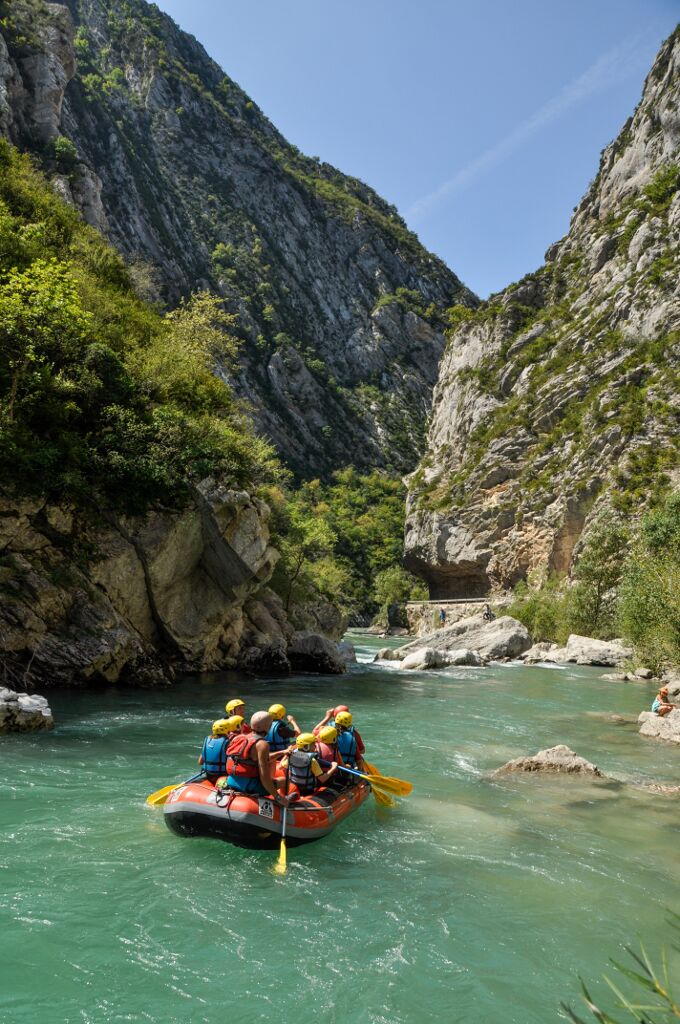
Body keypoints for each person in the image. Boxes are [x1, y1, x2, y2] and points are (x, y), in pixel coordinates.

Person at [225, 711, 289, 802]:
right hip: (250, 786)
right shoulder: (262, 744)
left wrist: (282, 752)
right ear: (269, 727)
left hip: (231, 782)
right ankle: (284, 803)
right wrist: (277, 797)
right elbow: (264, 776)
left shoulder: (238, 738)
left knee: (272, 761)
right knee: (284, 780)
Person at [198, 718, 239, 782]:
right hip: (222, 776)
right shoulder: (227, 742)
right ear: (227, 730)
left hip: (208, 774)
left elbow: (200, 762)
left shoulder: (207, 740)